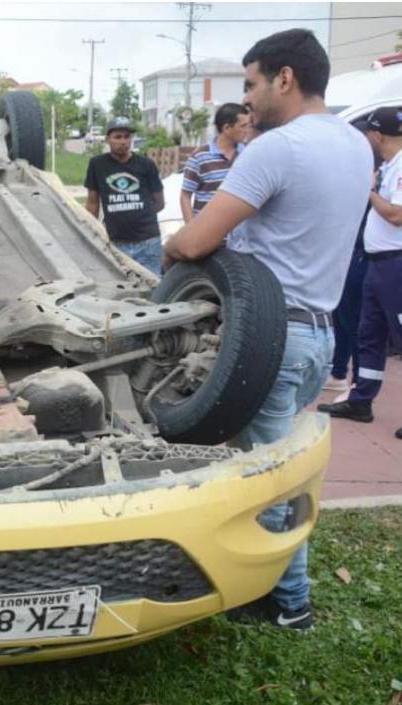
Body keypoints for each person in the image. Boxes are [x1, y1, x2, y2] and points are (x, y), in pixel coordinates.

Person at [164, 29, 374, 629]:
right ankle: (271, 589)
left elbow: (201, 239)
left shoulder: (277, 150)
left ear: (285, 78)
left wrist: (170, 252)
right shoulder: (357, 145)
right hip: (318, 336)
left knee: (268, 479)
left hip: (272, 338)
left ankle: (289, 603)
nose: (247, 100)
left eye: (252, 84)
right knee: (277, 467)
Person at [318, 105, 402, 441]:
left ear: (378, 134)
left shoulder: (398, 168)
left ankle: (361, 396)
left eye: (369, 132)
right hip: (378, 263)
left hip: (396, 263)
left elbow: (397, 215)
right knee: (369, 335)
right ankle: (361, 398)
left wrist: (367, 192)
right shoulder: (388, 166)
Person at [325, 117, 378, 396]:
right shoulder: (357, 170)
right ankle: (338, 373)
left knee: (356, 322)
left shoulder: (372, 172)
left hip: (361, 253)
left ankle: (357, 382)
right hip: (347, 252)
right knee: (343, 317)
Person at [84, 115, 165, 275]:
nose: (123, 141)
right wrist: (91, 231)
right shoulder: (97, 165)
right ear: (107, 139)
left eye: (127, 137)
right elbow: (93, 203)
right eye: (118, 137)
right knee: (120, 289)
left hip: (148, 243)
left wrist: (137, 214)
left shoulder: (146, 164)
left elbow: (159, 202)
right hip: (115, 243)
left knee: (152, 289)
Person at [180, 103, 250, 222]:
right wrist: (192, 230)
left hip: (240, 237)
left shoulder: (248, 154)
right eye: (243, 126)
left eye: (248, 125)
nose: (247, 130)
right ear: (227, 128)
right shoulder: (199, 157)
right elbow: (185, 196)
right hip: (207, 235)